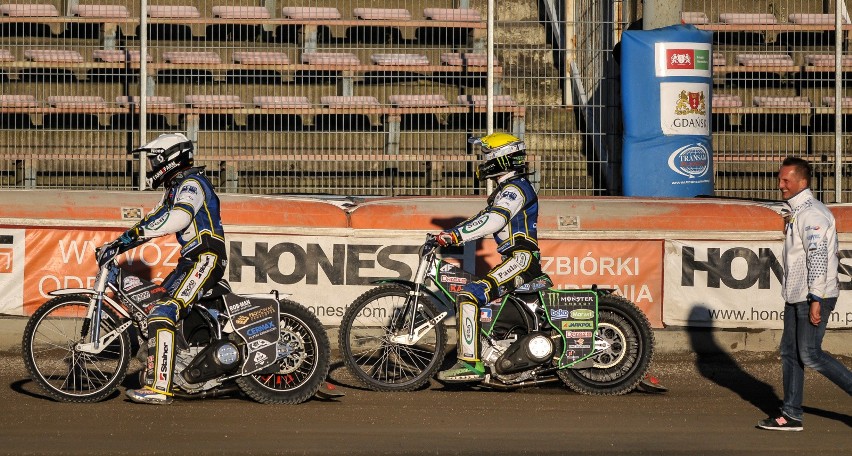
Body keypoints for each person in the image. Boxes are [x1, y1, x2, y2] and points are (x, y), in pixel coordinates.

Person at [99, 133, 228, 405]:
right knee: (155, 311)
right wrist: (119, 243)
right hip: (191, 259)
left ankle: (160, 388)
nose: (151, 166)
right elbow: (153, 220)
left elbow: (177, 218)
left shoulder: (192, 184)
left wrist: (130, 238)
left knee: (162, 312)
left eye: (154, 160)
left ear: (167, 159)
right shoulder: (174, 188)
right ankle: (183, 371)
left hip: (205, 257)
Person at [433, 132, 552, 383]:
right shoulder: (506, 189)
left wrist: (455, 237)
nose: (483, 160)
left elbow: (494, 220)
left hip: (521, 259)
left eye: (486, 155)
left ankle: (469, 364)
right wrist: (453, 233)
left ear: (501, 158)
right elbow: (480, 220)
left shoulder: (514, 189)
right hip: (516, 259)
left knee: (468, 295)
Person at [757, 156, 852, 431]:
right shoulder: (798, 210)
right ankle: (791, 414)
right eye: (779, 179)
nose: (780, 185)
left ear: (802, 182)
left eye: (786, 180)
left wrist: (816, 298)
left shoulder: (812, 214)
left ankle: (792, 412)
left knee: (809, 354)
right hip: (797, 295)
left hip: (812, 296)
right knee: (790, 352)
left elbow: (818, 255)